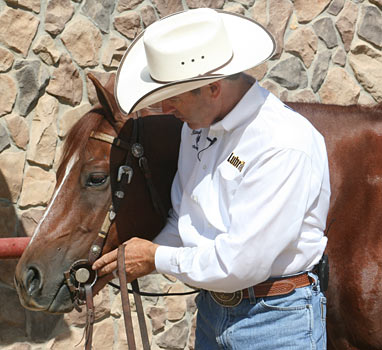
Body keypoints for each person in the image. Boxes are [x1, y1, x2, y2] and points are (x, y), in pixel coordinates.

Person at [92, 8, 330, 349]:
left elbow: (240, 263)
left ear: (214, 88)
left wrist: (154, 257)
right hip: (214, 313)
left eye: (173, 99)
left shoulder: (283, 143)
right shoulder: (196, 128)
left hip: (276, 321)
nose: (167, 110)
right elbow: (185, 219)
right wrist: (129, 258)